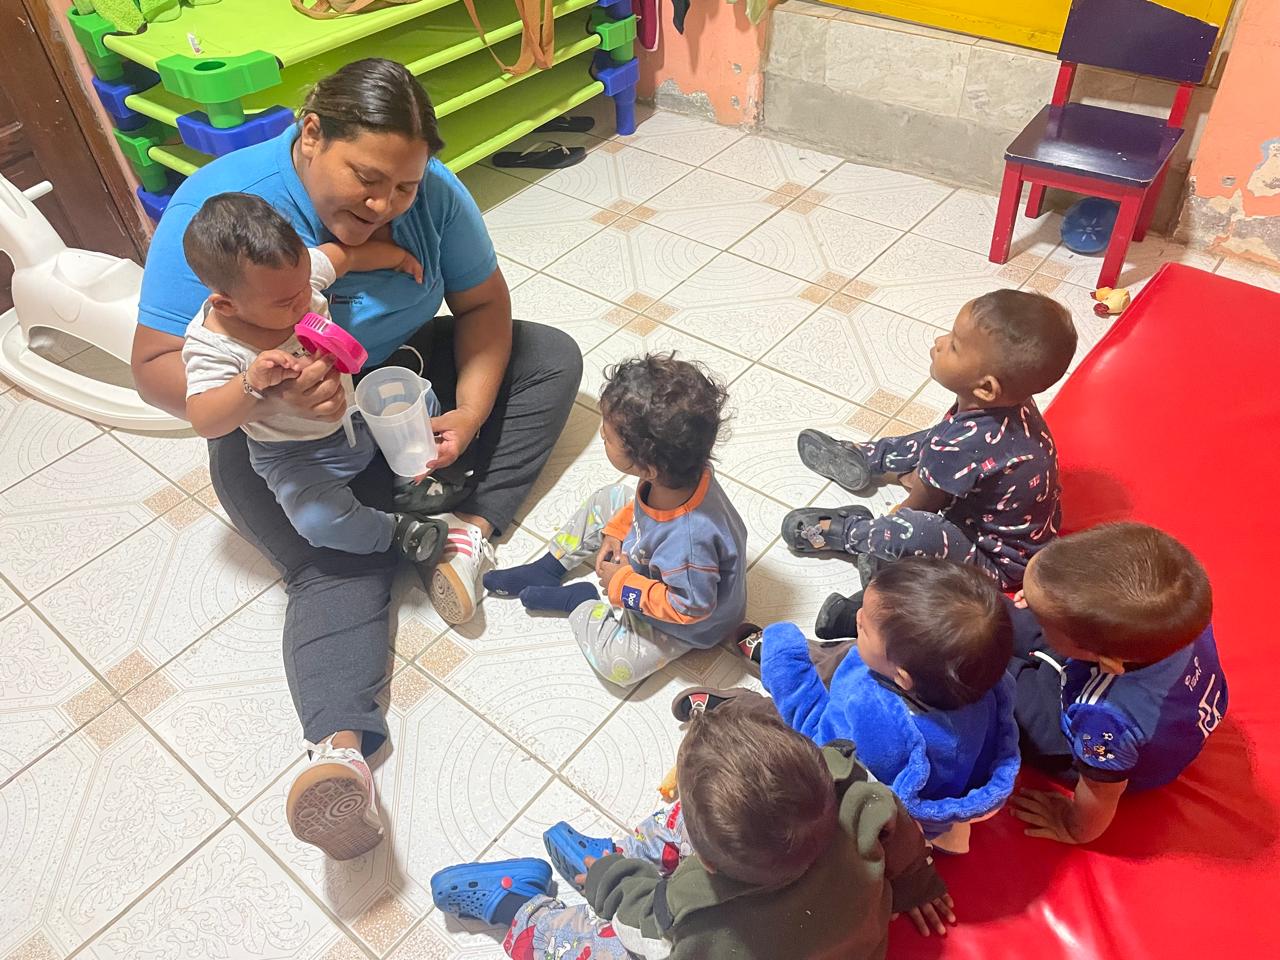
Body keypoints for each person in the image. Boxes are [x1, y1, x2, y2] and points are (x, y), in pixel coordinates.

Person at [130, 58, 582, 860]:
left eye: (404, 187)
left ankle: (464, 532)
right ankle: (339, 757)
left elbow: (482, 303)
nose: (385, 206)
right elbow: (156, 368)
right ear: (311, 135)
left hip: (387, 393)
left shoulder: (430, 196)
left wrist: (469, 412)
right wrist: (263, 392)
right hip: (277, 443)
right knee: (336, 559)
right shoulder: (221, 218)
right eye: (367, 180)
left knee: (549, 358)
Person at [429, 700, 955, 959]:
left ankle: (520, 906)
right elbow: (905, 838)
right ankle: (627, 852)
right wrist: (917, 884)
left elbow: (638, 922)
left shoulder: (696, 910)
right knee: (738, 813)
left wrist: (609, 880)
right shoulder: (858, 796)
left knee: (597, 945)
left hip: (661, 913)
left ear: (704, 864)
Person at [181, 192, 449, 565]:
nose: (303, 301)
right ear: (227, 305)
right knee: (316, 522)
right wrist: (251, 383)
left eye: (306, 286)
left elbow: (345, 256)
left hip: (355, 414)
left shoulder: (291, 279)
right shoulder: (213, 345)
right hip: (295, 453)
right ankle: (395, 531)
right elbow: (204, 420)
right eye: (285, 303)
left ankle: (411, 480)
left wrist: (397, 258)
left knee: (420, 397)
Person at [716, 557, 1020, 853]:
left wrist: (788, 674)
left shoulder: (879, 724)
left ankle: (734, 707)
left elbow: (820, 742)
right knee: (847, 655)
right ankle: (811, 657)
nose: (858, 617)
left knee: (777, 726)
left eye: (864, 627)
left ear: (902, 677)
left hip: (860, 769)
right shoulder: (977, 677)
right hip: (928, 764)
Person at [780, 289, 1076, 591]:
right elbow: (948, 445)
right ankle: (868, 457)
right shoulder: (1012, 405)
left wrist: (895, 522)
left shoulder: (963, 443)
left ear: (986, 388)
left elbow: (922, 507)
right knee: (936, 439)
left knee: (916, 527)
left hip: (995, 564)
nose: (939, 342)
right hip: (1008, 525)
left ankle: (854, 532)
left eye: (954, 346)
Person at [482, 353, 746, 687]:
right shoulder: (679, 469)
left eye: (607, 438)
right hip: (661, 559)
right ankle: (549, 567)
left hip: (685, 622)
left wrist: (622, 582)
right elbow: (642, 510)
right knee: (607, 499)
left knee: (618, 665)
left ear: (648, 467)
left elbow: (690, 608)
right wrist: (618, 530)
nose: (601, 436)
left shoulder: (689, 545)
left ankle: (578, 600)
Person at [1006, 522, 1228, 844]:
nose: (1026, 600)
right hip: (1126, 686)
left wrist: (1075, 828)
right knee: (991, 615)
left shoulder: (1104, 717)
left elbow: (1101, 791)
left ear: (1106, 662)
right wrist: (1046, 589)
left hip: (1100, 750)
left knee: (994, 679)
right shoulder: (1178, 623)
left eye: (1045, 619)